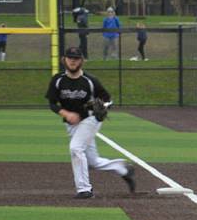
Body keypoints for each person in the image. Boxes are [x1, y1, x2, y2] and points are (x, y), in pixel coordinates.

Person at [44, 47, 135, 198]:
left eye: (76, 58)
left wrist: (104, 107)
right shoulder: (58, 80)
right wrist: (66, 113)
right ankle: (123, 169)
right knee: (91, 162)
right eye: (70, 58)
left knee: (75, 148)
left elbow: (108, 100)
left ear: (82, 61)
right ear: (64, 60)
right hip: (71, 124)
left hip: (90, 119)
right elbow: (52, 104)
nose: (73, 61)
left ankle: (84, 189)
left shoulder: (90, 81)